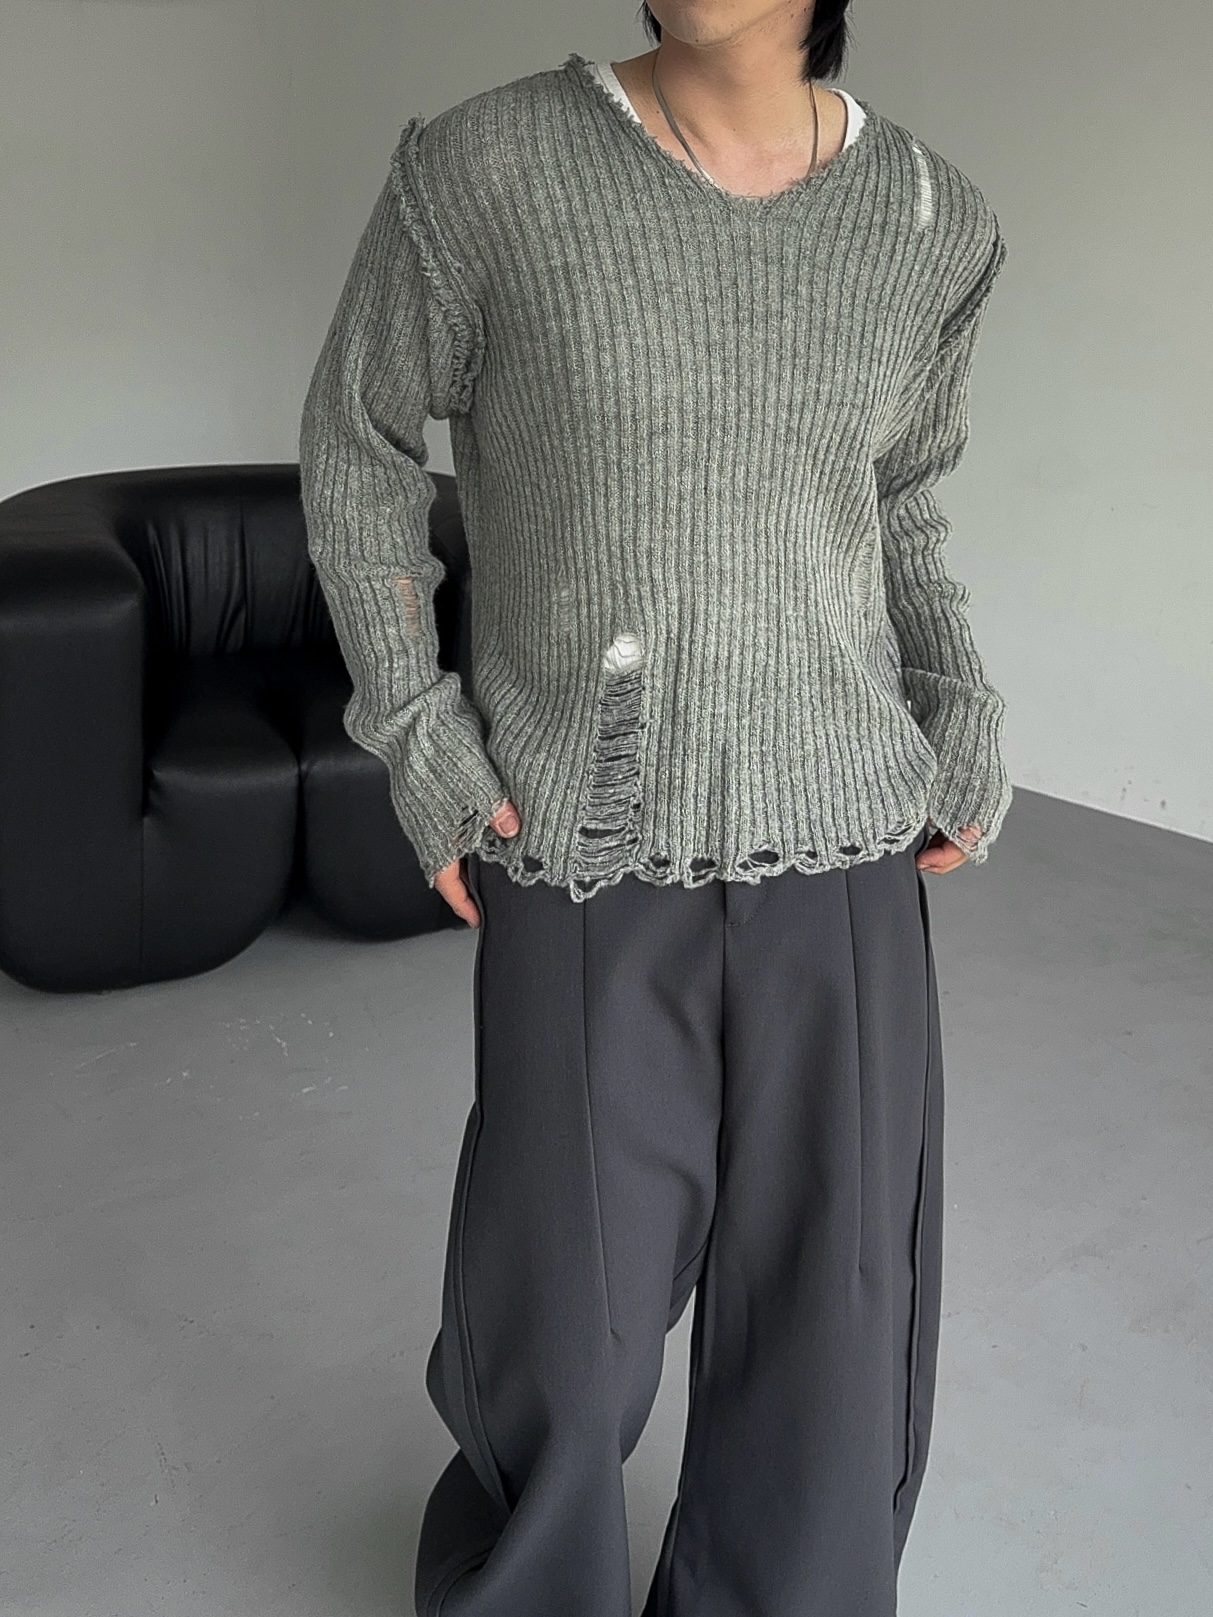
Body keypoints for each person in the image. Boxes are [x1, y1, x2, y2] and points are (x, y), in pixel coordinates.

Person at [298, 3, 1013, 1612]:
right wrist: (419, 734)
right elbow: (356, 453)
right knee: (562, 1318)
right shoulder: (482, 171)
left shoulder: (929, 220)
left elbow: (901, 499)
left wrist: (957, 695)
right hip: (585, 841)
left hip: (846, 845)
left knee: (835, 1324)